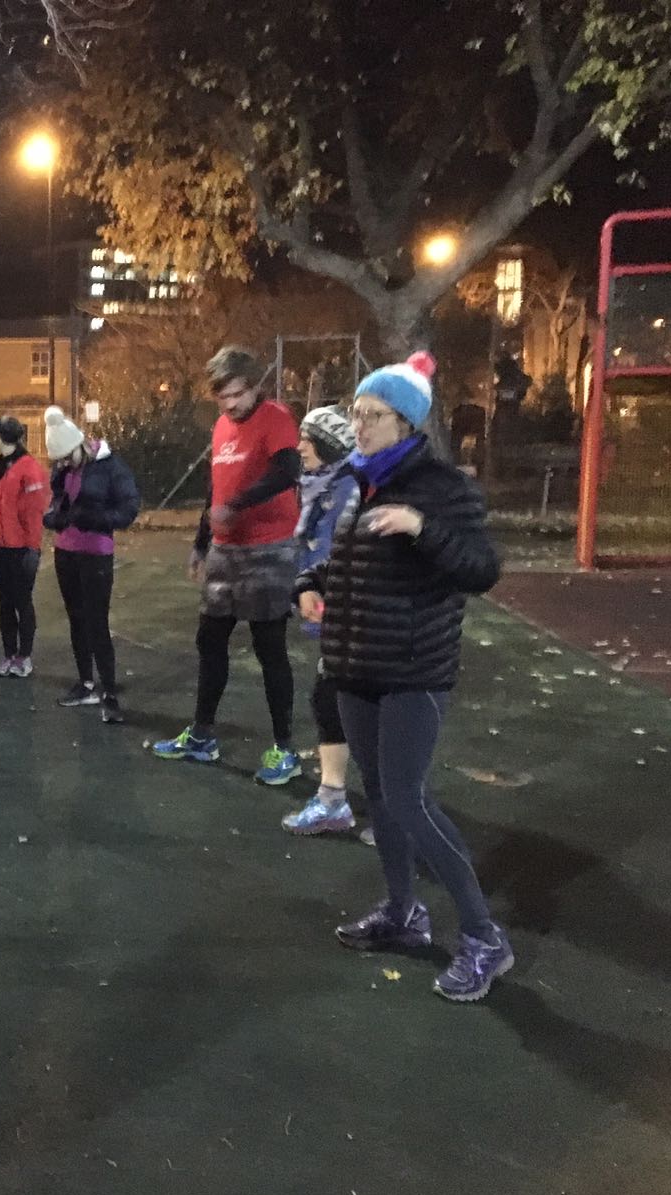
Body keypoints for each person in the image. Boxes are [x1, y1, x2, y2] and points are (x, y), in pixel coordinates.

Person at [296, 351, 511, 1003]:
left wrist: (422, 528)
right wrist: (312, 582)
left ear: (408, 423)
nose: (358, 426)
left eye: (373, 416)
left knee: (407, 798)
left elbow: (481, 568)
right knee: (380, 796)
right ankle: (402, 913)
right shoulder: (364, 481)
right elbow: (355, 562)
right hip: (358, 664)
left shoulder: (441, 488)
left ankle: (484, 937)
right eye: (354, 413)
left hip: (413, 669)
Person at [152, 347, 303, 784]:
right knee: (209, 639)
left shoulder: (275, 417)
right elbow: (214, 491)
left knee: (269, 646)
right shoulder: (220, 427)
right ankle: (202, 736)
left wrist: (237, 505)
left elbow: (287, 471)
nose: (231, 404)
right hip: (224, 551)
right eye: (223, 397)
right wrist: (201, 543)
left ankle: (284, 749)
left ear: (255, 387)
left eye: (238, 394)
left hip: (268, 550)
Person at [279, 406, 363, 836]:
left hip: (360, 618)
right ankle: (336, 800)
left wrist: (330, 591)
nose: (300, 447)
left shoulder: (350, 490)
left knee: (349, 705)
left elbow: (350, 555)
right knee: (330, 701)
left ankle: (394, 812)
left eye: (309, 439)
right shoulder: (321, 487)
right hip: (338, 612)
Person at [41, 405, 139, 724]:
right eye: (60, 460)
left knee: (97, 622)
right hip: (66, 551)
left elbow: (128, 509)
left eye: (68, 457)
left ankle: (109, 692)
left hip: (96, 552)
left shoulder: (110, 467)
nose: (65, 464)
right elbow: (58, 501)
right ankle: (86, 683)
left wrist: (95, 518)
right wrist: (54, 516)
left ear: (81, 444)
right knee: (76, 619)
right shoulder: (63, 468)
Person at [0, 415, 48, 678]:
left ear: (5, 437)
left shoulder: (28, 468)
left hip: (21, 549)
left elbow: (34, 513)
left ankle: (24, 656)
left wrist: (33, 549)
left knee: (22, 602)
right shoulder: (1, 466)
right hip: (1, 547)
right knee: (5, 604)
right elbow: (0, 513)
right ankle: (9, 653)